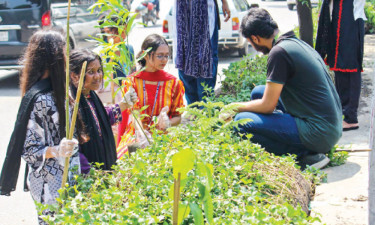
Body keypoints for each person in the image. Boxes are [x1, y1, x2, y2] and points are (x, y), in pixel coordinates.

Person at [223, 8, 342, 169]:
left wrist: (234, 107)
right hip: (330, 127)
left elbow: (267, 105)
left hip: (319, 134)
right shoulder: (292, 41)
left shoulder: (278, 53)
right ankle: (299, 142)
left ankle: (306, 156)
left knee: (240, 122)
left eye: (251, 43)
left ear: (255, 38)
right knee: (258, 92)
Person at [0, 30, 85, 224]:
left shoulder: (62, 90)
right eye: (64, 51)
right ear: (55, 56)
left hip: (70, 176)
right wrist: (57, 150)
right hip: (49, 183)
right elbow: (28, 150)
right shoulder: (39, 99)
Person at [117, 34, 185, 158]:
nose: (164, 60)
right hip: (136, 135)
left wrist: (168, 123)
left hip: (164, 137)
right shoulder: (131, 81)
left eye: (166, 56)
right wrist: (142, 134)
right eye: (160, 56)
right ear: (146, 55)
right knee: (123, 161)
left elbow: (178, 117)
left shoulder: (174, 83)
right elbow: (134, 113)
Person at [69, 49, 137, 173]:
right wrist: (90, 172)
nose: (98, 76)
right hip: (87, 176)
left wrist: (123, 104)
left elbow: (98, 119)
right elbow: (73, 148)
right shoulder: (72, 103)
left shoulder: (90, 96)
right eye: (91, 72)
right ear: (74, 76)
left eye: (99, 70)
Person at [315, 0, 366, 131]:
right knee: (339, 65)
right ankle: (343, 114)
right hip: (338, 16)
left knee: (350, 66)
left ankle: (351, 118)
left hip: (350, 18)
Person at [174, 0, 230, 104]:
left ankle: (205, 108)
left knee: (205, 59)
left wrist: (224, 2)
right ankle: (194, 107)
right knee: (184, 59)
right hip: (183, 9)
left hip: (205, 11)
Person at [96, 15, 135, 105]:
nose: (124, 35)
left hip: (127, 99)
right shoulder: (101, 53)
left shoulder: (129, 49)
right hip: (109, 102)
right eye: (120, 32)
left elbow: (133, 73)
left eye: (125, 31)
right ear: (108, 32)